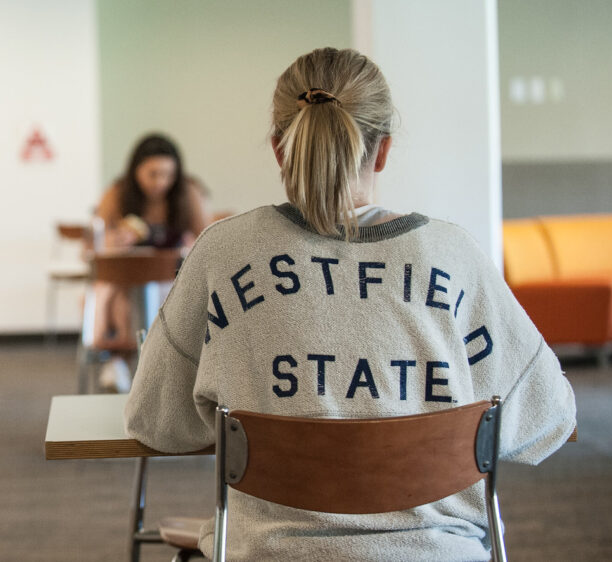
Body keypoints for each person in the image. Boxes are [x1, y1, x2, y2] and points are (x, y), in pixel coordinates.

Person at [125, 48, 576, 561]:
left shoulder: (222, 253)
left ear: (278, 148)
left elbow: (154, 421)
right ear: (382, 151)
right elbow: (548, 421)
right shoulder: (456, 256)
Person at [93, 133, 211, 391]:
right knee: (119, 294)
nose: (160, 182)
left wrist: (189, 244)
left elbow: (206, 239)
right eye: (153, 174)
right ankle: (120, 359)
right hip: (127, 279)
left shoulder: (187, 192)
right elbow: (97, 244)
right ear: (136, 171)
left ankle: (160, 367)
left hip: (171, 278)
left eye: (167, 175)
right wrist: (113, 240)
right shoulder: (117, 193)